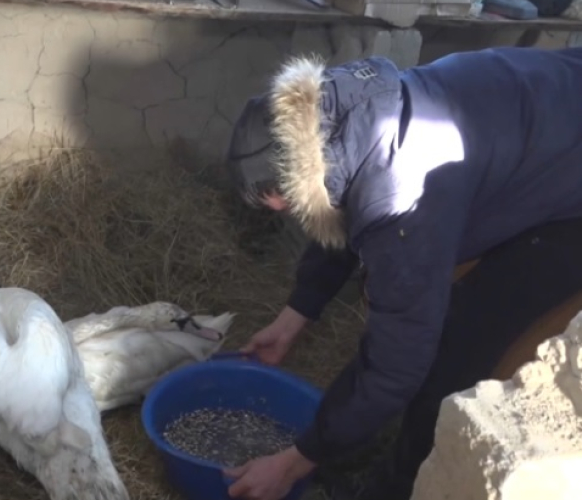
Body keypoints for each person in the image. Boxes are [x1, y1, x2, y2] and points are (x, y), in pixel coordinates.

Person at [221, 46, 582, 500]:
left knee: (456, 355)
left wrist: (295, 462)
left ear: (295, 184)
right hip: (552, 98)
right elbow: (337, 204)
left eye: (286, 205)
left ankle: (402, 484)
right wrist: (295, 315)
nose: (292, 214)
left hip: (571, 189)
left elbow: (396, 366)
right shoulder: (345, 108)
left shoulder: (402, 204)